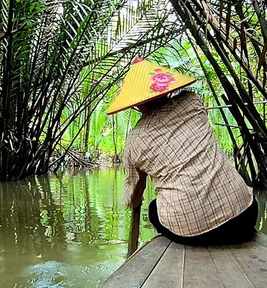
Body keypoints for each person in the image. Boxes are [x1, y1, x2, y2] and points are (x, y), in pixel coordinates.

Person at [108, 57, 258, 245]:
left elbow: (133, 194)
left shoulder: (134, 141)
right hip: (245, 215)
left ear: (135, 104)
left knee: (154, 210)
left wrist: (132, 200)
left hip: (193, 233)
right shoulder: (192, 101)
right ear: (164, 88)